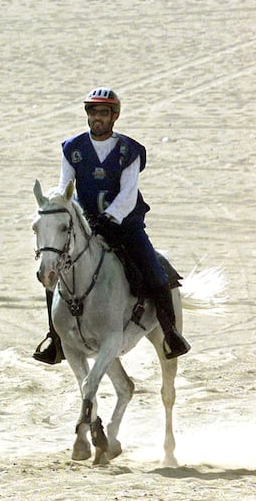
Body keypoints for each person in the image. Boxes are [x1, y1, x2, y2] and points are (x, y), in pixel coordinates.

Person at [33, 87, 191, 364]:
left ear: (114, 116)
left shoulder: (129, 151)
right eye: (93, 112)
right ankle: (54, 338)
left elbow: (128, 193)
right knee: (54, 272)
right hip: (86, 225)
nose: (98, 118)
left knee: (155, 272)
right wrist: (71, 212)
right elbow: (65, 186)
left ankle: (170, 334)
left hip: (124, 224)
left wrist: (110, 217)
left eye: (103, 113)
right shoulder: (73, 149)